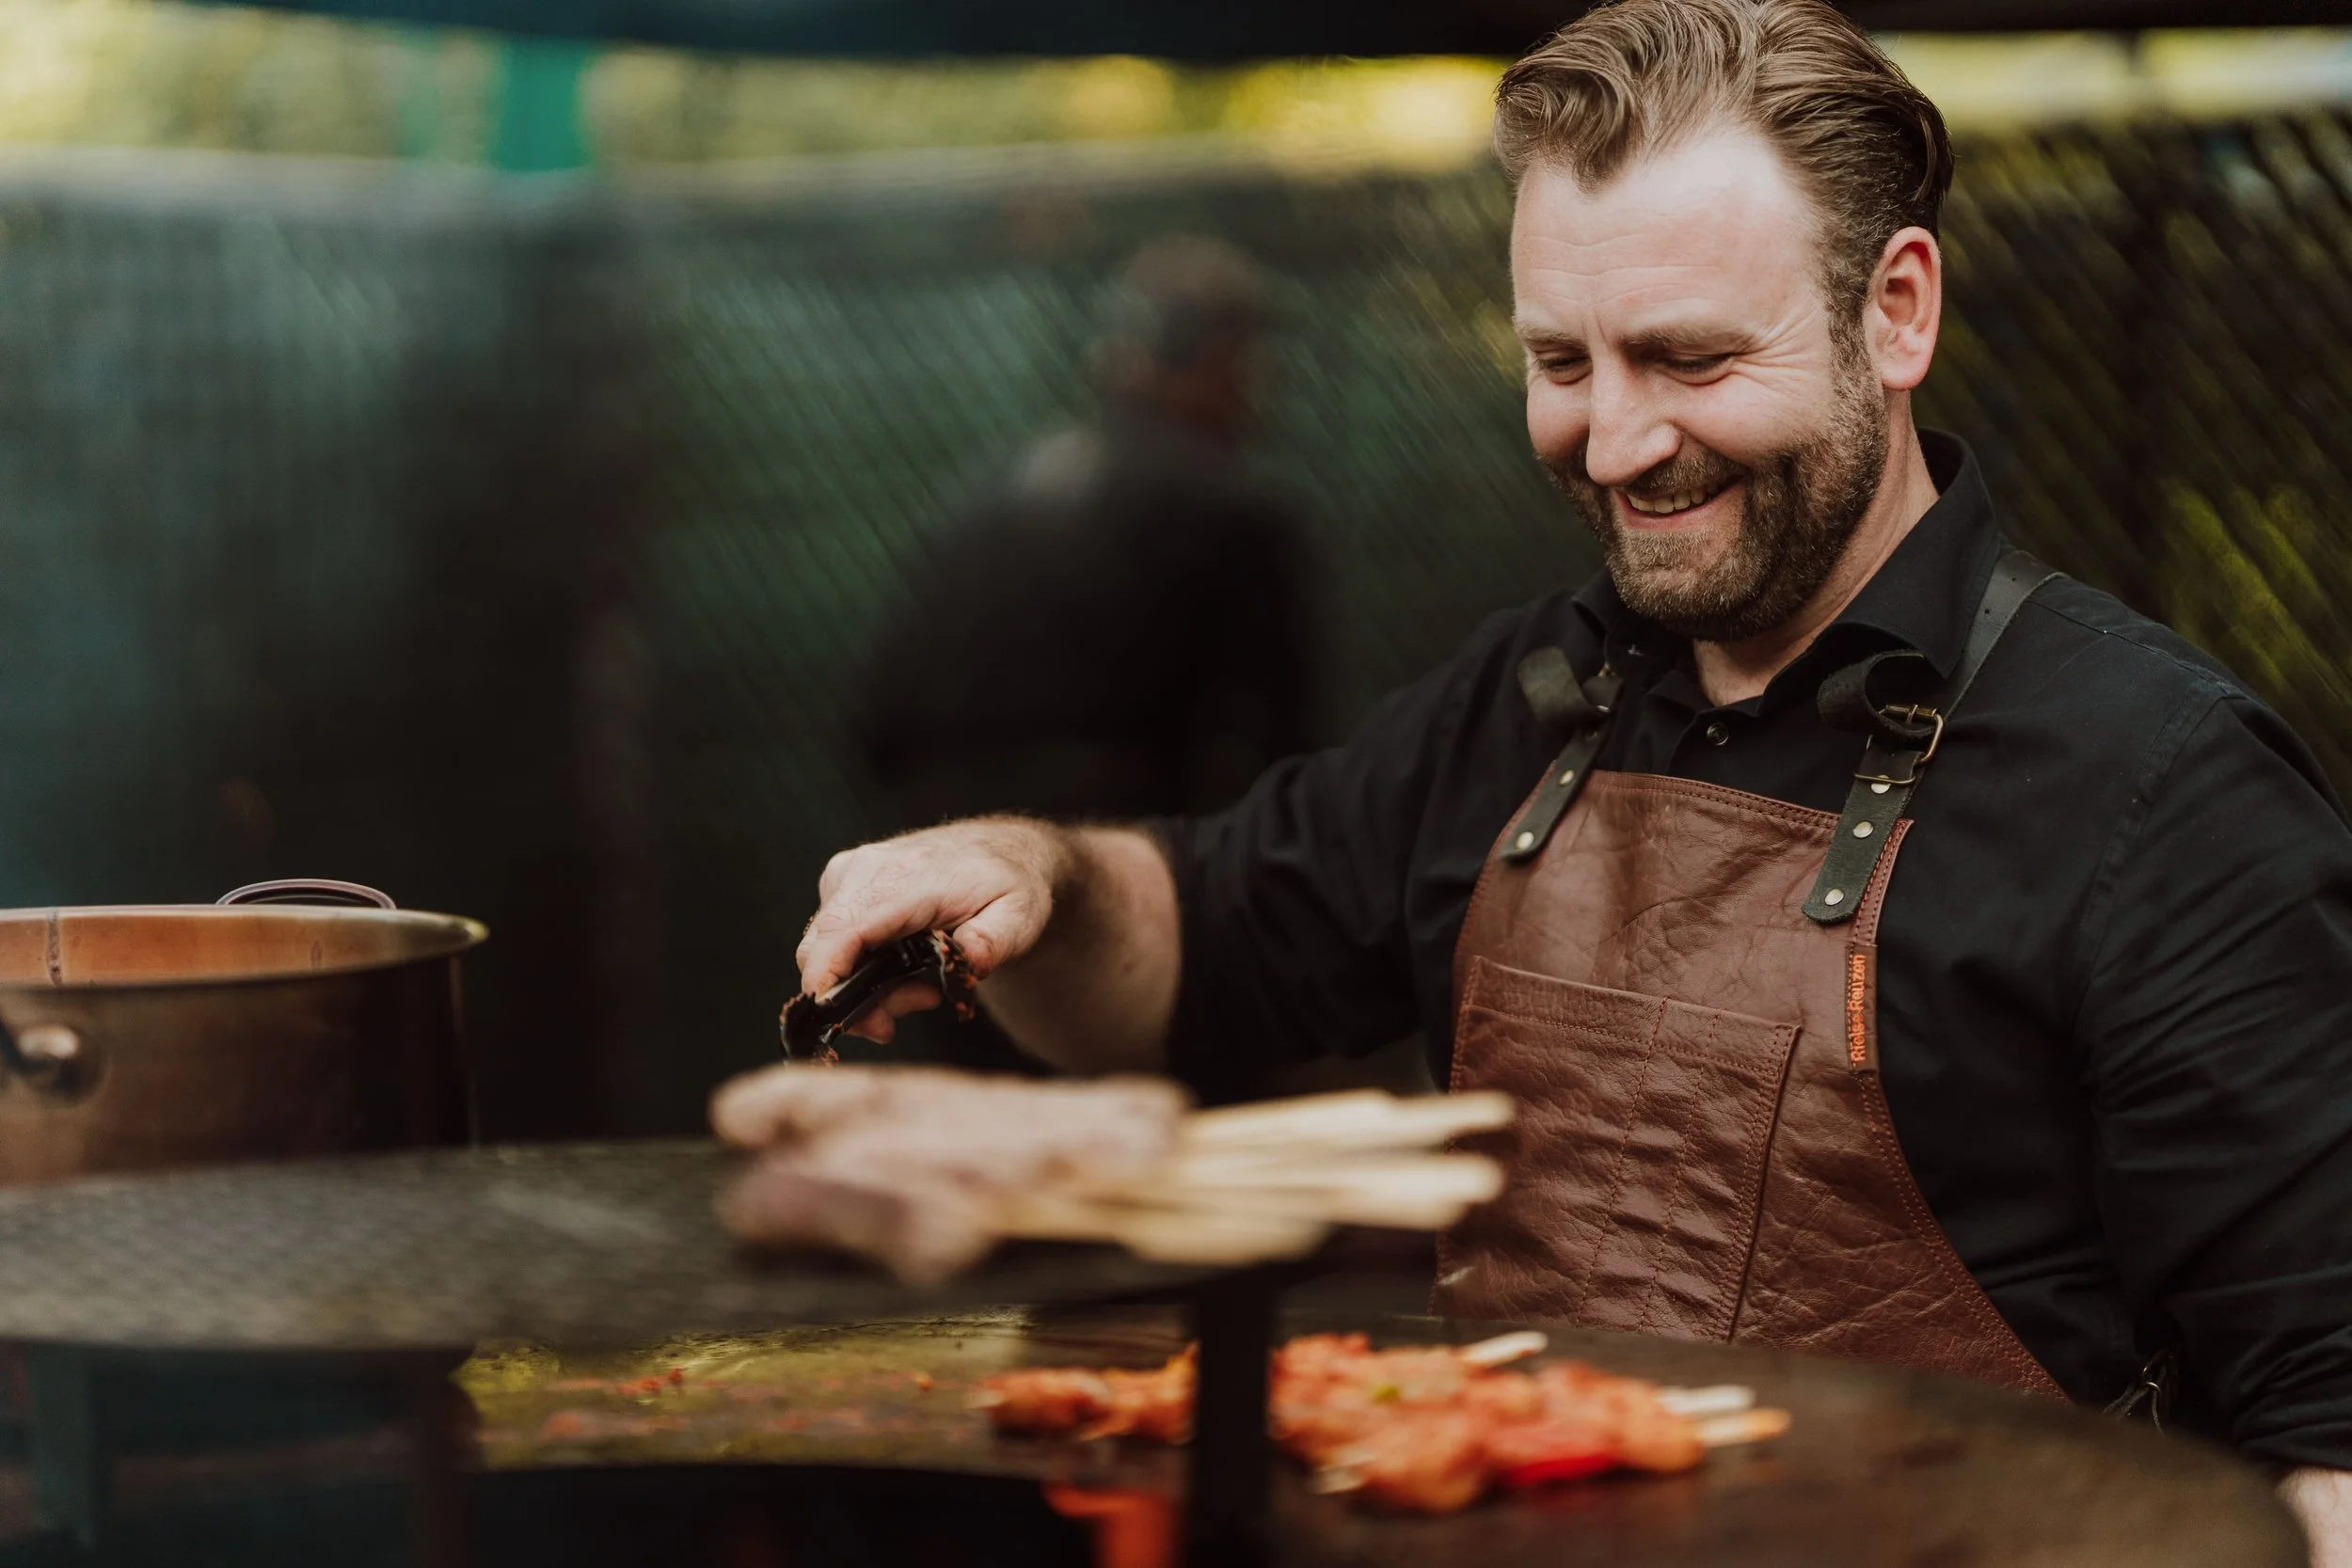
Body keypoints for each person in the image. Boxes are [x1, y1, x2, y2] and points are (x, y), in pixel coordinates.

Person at [786, 0, 2352, 1552]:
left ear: (1897, 312)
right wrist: (1041, 881)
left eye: (1685, 358)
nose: (1611, 442)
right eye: (1561, 360)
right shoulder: (1531, 697)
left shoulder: (2162, 786)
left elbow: (2329, 1431)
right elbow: (1194, 948)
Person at [853, 234, 1314, 833]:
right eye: (1253, 360)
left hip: (946, 857)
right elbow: (1288, 744)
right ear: (1220, 359)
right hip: (1118, 870)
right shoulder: (1232, 509)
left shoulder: (995, 486)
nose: (1261, 386)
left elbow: (877, 721)